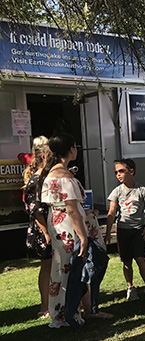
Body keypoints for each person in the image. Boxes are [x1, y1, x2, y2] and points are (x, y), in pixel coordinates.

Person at [38, 133, 89, 328]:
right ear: (70, 149)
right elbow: (71, 209)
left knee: (60, 269)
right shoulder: (65, 176)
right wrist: (83, 237)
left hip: (56, 223)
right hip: (67, 225)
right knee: (70, 268)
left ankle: (59, 313)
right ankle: (69, 314)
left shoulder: (49, 174)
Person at [105, 158, 145, 303]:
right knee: (126, 261)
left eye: (121, 171)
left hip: (138, 231)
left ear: (131, 171)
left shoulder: (142, 190)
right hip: (123, 230)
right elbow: (111, 212)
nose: (118, 174)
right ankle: (131, 288)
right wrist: (108, 233)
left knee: (140, 258)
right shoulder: (116, 192)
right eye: (116, 172)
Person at [22, 136, 52, 318]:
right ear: (43, 157)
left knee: (54, 266)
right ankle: (45, 306)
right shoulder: (37, 180)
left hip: (50, 226)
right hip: (43, 229)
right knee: (47, 266)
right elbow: (35, 209)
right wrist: (46, 232)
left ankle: (56, 303)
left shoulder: (47, 176)